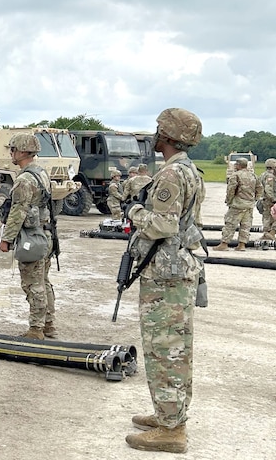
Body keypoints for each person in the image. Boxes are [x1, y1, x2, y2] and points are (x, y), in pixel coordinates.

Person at [122, 108, 204, 453]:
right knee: (175, 348)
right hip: (176, 268)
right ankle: (170, 415)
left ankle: (171, 430)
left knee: (164, 350)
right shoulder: (189, 170)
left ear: (168, 138)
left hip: (166, 274)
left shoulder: (171, 174)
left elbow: (163, 225)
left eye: (158, 131)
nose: (153, 136)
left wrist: (134, 210)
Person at [0, 133, 56, 339]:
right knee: (44, 280)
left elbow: (18, 211)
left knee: (33, 283)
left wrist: (6, 239)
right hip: (46, 235)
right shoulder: (41, 173)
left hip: (32, 237)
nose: (11, 153)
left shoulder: (24, 179)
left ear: (22, 151)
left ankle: (36, 329)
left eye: (12, 149)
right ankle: (48, 324)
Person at [215, 157, 261, 251]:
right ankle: (242, 245)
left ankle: (224, 244)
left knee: (230, 223)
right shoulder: (253, 175)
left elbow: (231, 189)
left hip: (237, 204)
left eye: (236, 164)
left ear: (239, 165)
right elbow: (259, 188)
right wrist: (255, 199)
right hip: (249, 204)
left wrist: (229, 201)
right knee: (246, 225)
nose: (235, 166)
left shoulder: (235, 175)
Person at [258, 158, 276, 240]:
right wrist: (273, 199)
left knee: (266, 217)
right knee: (271, 217)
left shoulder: (262, 175)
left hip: (263, 199)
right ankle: (271, 233)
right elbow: (268, 189)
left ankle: (266, 234)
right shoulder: (270, 176)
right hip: (270, 200)